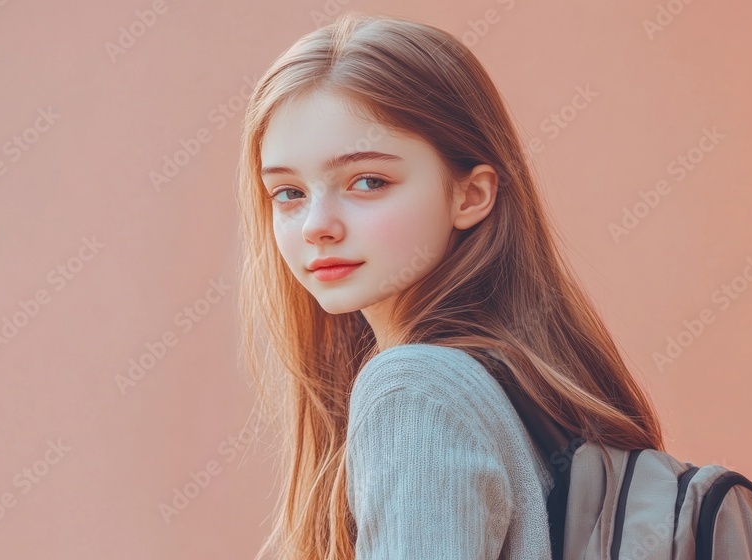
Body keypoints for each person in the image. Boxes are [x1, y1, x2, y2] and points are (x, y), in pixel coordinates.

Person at [235, 12, 664, 560]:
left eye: (369, 181)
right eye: (288, 193)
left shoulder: (416, 393)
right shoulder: (534, 389)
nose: (317, 224)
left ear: (471, 196)